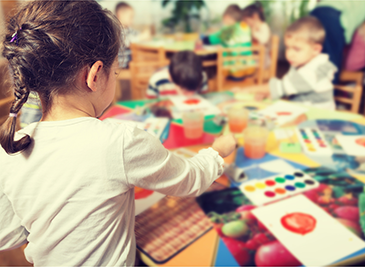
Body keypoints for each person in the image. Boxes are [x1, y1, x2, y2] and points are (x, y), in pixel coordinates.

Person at [0, 1, 237, 266]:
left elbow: (7, 233)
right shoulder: (120, 142)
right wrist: (218, 152)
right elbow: (188, 180)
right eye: (115, 71)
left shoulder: (11, 148)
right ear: (94, 75)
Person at [241, 16, 337, 110]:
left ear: (315, 49)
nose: (289, 54)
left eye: (296, 49)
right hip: (304, 111)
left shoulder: (313, 71)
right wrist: (268, 93)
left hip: (318, 119)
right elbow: (288, 88)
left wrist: (247, 90)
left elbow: (281, 86)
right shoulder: (300, 63)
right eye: (287, 47)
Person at [310, 1, 365, 83]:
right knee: (331, 64)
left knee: (310, 57)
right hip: (334, 16)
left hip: (316, 11)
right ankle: (325, 94)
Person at [199, 4, 253, 80]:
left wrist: (202, 40)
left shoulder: (229, 29)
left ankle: (210, 81)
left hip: (235, 73)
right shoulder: (245, 26)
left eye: (223, 18)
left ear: (227, 17)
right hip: (248, 70)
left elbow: (212, 39)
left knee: (209, 58)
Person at [115, 2, 151, 68]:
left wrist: (144, 36)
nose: (132, 20)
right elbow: (126, 42)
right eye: (130, 17)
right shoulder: (116, 30)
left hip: (132, 62)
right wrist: (141, 37)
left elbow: (138, 35)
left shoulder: (129, 29)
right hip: (123, 66)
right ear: (120, 14)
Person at [242, 3, 271, 67]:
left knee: (244, 65)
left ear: (255, 16)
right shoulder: (251, 28)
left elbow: (264, 40)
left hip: (262, 61)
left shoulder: (264, 26)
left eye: (246, 20)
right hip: (254, 58)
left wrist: (253, 32)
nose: (246, 23)